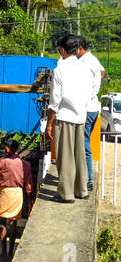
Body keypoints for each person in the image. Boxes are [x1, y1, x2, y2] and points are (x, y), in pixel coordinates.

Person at [45, 34, 92, 203]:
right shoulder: (86, 69)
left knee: (65, 157)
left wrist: (49, 124)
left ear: (63, 50)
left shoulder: (60, 70)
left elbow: (55, 101)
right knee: (79, 155)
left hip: (65, 116)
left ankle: (66, 194)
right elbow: (89, 94)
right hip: (81, 116)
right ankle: (82, 190)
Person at [77, 35, 106, 192]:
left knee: (83, 145)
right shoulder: (93, 60)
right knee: (83, 144)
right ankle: (85, 178)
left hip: (87, 108)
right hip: (93, 107)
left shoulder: (86, 63)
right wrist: (95, 86)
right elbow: (102, 72)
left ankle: (87, 180)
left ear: (80, 48)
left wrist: (89, 92)